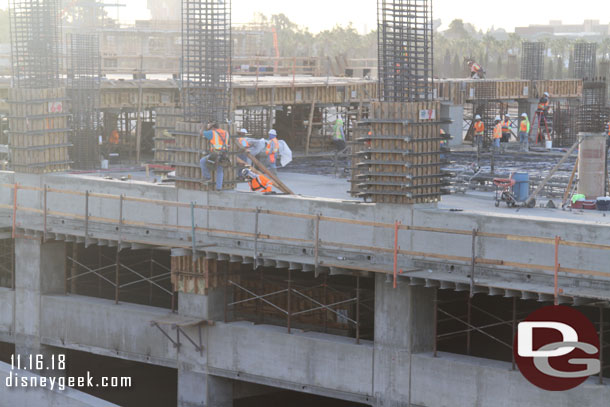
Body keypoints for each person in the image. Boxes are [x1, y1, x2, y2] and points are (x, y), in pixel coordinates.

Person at [199, 122, 229, 190]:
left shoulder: (212, 132)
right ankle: (219, 188)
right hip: (224, 154)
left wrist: (203, 126)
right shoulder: (226, 132)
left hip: (215, 154)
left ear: (213, 127)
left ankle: (207, 177)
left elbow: (201, 133)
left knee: (202, 161)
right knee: (220, 170)